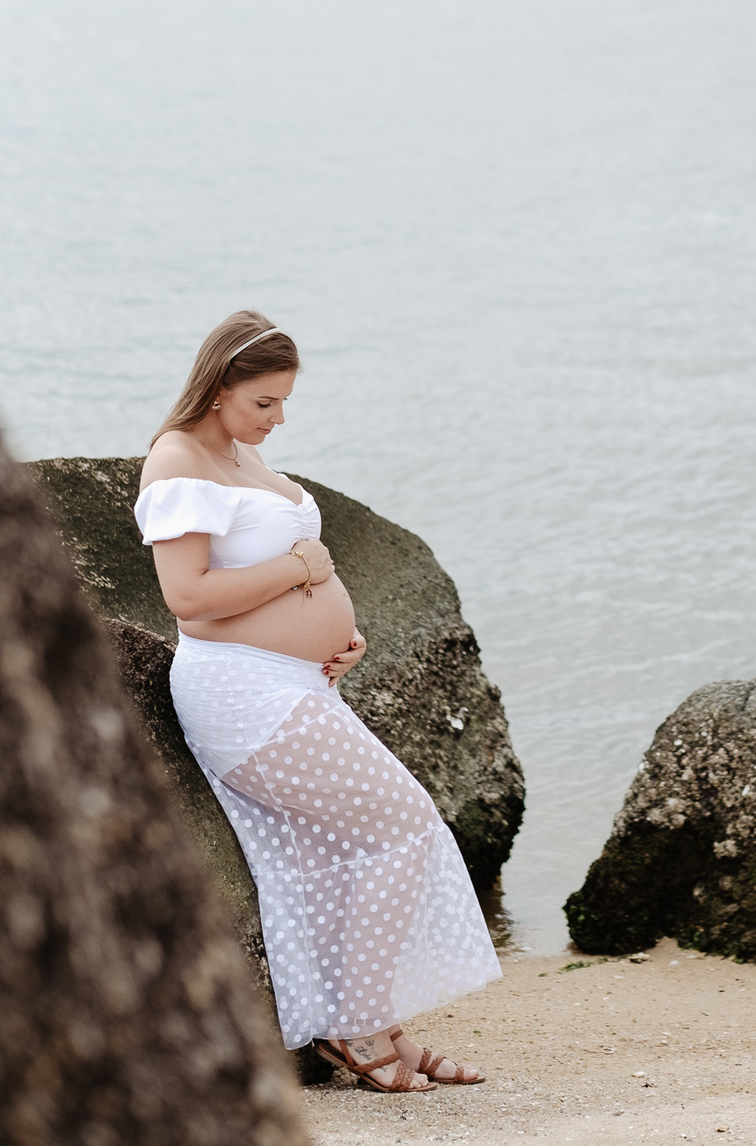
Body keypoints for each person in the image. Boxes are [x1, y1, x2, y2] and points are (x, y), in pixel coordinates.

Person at [135, 310, 499, 1092]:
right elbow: (188, 596)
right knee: (402, 825)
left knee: (350, 847)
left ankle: (385, 1028)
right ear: (219, 386)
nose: (278, 418)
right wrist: (305, 568)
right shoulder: (176, 460)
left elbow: (277, 570)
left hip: (295, 684)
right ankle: (357, 1026)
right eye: (263, 402)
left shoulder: (237, 456)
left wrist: (343, 629)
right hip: (239, 694)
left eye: (283, 402)